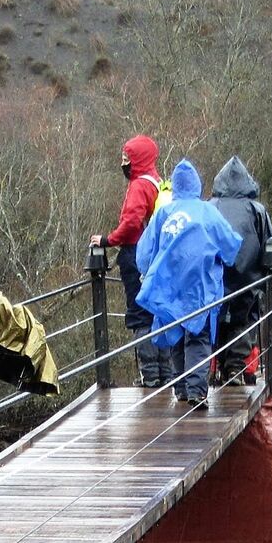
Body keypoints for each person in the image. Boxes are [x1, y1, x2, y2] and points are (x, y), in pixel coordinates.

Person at [134, 159, 241, 408]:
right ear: (196, 185)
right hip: (200, 286)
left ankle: (181, 387)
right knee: (198, 337)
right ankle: (196, 390)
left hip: (169, 288)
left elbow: (145, 252)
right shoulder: (208, 212)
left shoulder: (164, 213)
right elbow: (230, 246)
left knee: (176, 335)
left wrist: (148, 273)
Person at [91, 135, 163, 388]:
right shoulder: (157, 182)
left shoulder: (138, 186)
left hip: (136, 255)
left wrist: (108, 240)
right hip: (156, 255)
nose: (124, 164)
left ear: (138, 160)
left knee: (140, 315)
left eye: (127, 159)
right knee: (157, 313)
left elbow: (132, 223)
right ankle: (164, 373)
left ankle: (150, 375)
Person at [209, 156, 272, 386]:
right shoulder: (256, 210)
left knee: (215, 320)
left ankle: (214, 366)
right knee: (243, 322)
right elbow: (269, 244)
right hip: (248, 276)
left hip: (216, 276)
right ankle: (235, 367)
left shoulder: (211, 206)